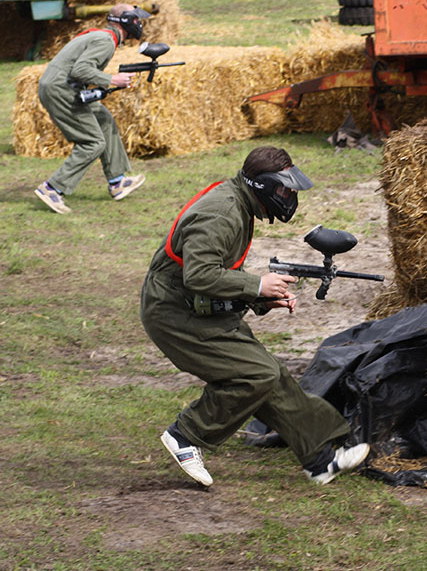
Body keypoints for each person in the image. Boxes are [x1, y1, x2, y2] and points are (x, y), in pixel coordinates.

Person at [140, 146, 370, 486]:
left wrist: (261, 297)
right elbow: (200, 275)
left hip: (198, 308)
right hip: (174, 313)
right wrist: (257, 285)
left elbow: (221, 270)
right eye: (283, 190)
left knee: (272, 375)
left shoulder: (238, 204)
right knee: (255, 375)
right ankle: (186, 435)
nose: (289, 197)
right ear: (261, 185)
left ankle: (320, 460)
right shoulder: (223, 212)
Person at [34, 3, 148, 214]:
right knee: (93, 143)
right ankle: (53, 188)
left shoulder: (103, 36)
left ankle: (117, 181)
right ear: (126, 22)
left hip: (63, 86)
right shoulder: (105, 41)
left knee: (104, 119)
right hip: (61, 89)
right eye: (136, 20)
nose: (139, 24)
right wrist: (111, 79)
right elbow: (80, 70)